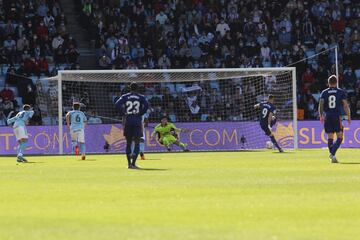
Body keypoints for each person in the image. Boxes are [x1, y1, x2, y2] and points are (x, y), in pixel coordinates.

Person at [115, 82, 149, 169]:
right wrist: (140, 113)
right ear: (137, 88)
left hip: (128, 121)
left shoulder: (125, 96)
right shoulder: (141, 97)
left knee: (128, 143)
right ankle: (134, 163)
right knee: (137, 143)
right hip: (137, 122)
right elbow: (147, 105)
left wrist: (123, 113)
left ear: (130, 88)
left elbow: (117, 104)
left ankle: (129, 164)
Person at [318, 75, 351, 163]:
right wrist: (348, 116)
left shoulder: (324, 92)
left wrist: (321, 115)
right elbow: (345, 105)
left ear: (328, 83)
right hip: (337, 116)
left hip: (327, 116)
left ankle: (332, 156)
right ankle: (332, 153)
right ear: (336, 82)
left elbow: (320, 105)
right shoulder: (341, 92)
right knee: (340, 136)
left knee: (330, 137)